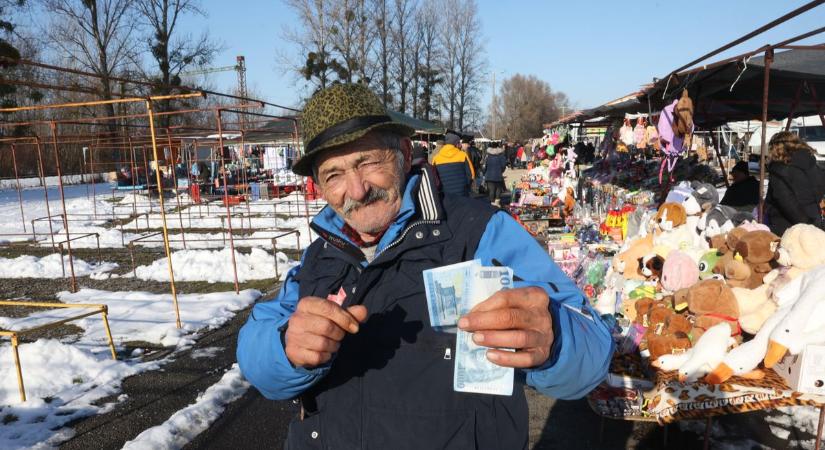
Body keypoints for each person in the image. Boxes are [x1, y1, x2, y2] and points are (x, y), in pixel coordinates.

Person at [236, 83, 613, 449]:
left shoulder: (479, 232)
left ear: (402, 152)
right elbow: (256, 355)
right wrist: (285, 347)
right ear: (318, 184)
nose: (356, 190)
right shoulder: (319, 255)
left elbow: (592, 349)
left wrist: (554, 338)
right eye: (334, 175)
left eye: (367, 162)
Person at [765, 131, 825, 236]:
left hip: (788, 228)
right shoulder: (812, 164)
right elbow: (820, 190)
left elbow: (786, 201)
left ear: (775, 148)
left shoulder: (778, 169)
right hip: (815, 220)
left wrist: (806, 225)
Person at [432, 130, 475, 196]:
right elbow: (471, 175)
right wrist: (466, 187)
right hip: (462, 194)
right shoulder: (463, 155)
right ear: (456, 144)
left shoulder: (436, 158)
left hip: (444, 195)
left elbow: (434, 178)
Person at [484, 140, 507, 204]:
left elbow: (484, 166)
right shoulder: (501, 155)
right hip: (498, 175)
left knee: (491, 190)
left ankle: (492, 203)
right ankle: (497, 203)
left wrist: (484, 172)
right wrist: (501, 171)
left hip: (489, 175)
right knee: (498, 190)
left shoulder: (487, 155)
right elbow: (503, 166)